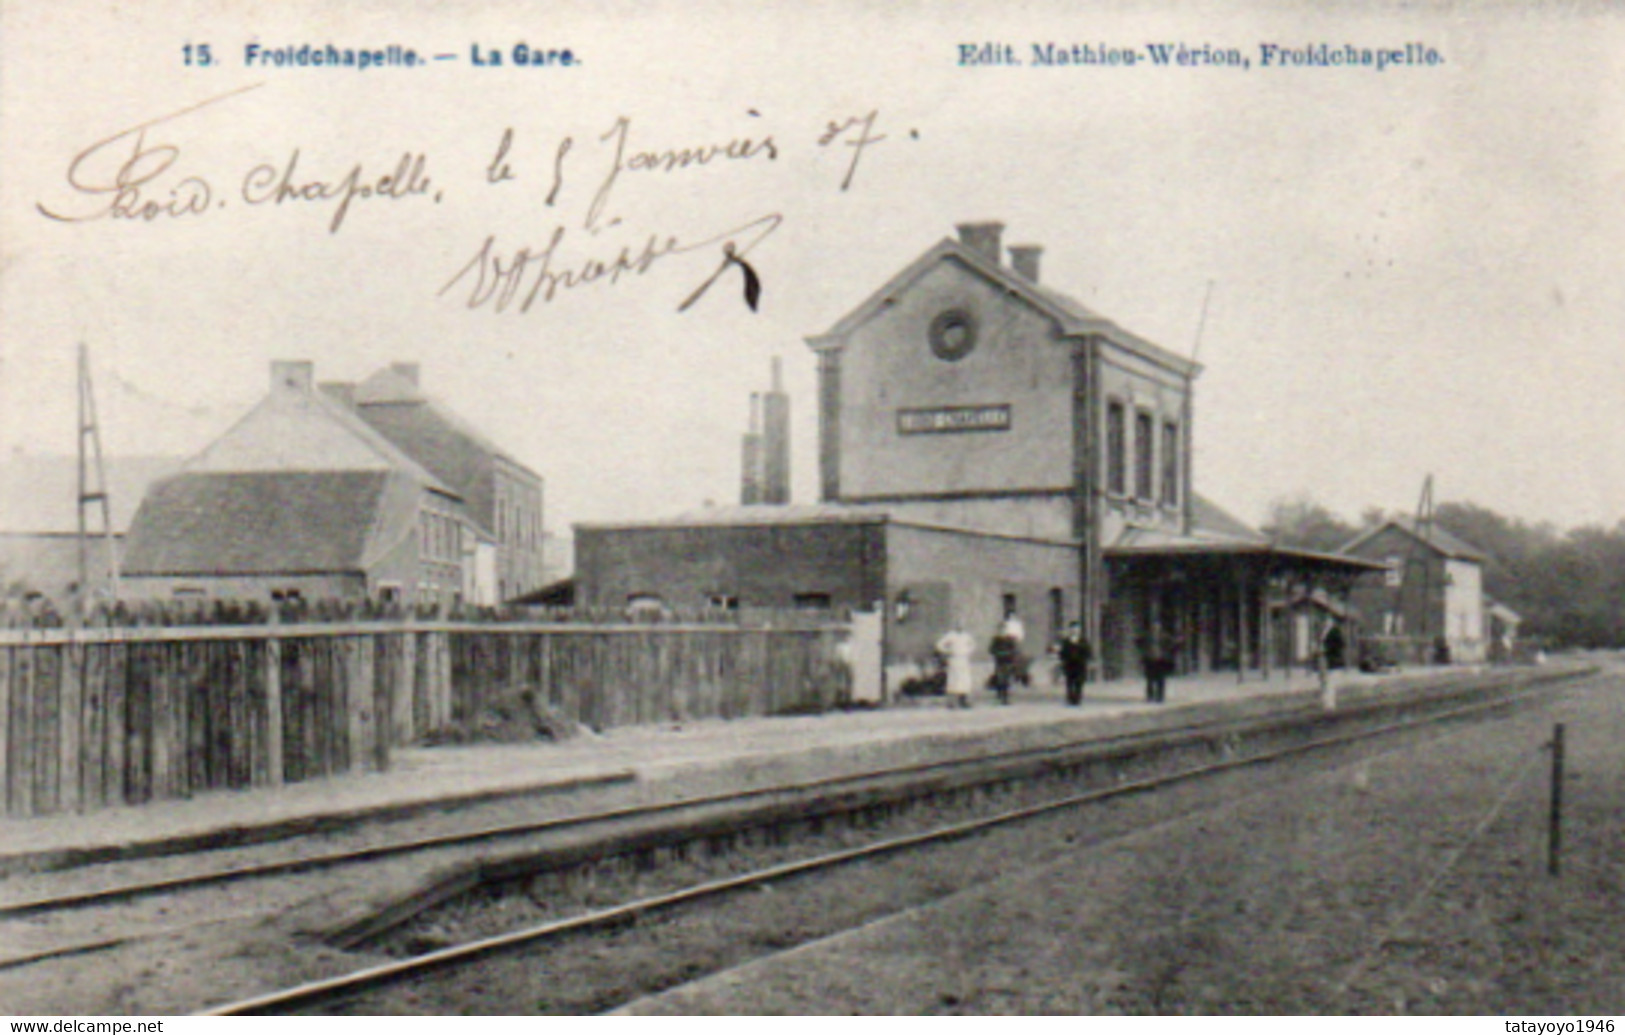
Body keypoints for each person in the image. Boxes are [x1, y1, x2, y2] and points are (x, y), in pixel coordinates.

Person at [936, 621, 976, 709]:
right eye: (958, 625)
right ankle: (952, 702)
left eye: (961, 625)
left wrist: (967, 651)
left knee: (964, 679)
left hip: (964, 659)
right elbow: (939, 645)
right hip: (954, 659)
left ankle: (964, 701)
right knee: (953, 679)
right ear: (955, 626)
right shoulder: (951, 635)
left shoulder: (966, 635)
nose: (960, 627)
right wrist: (948, 651)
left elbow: (973, 645)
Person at [1055, 621, 1092, 706]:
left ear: (1079, 630)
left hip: (1080, 665)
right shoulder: (1066, 641)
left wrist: (1085, 660)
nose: (1074, 631)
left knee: (1079, 682)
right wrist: (1062, 660)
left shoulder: (1083, 641)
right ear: (1070, 630)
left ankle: (1077, 699)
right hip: (1069, 665)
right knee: (1069, 682)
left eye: (1076, 629)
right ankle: (1070, 698)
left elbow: (1087, 652)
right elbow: (1062, 653)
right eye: (1073, 629)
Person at [1138, 627, 1174, 704]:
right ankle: (1150, 696)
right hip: (1150, 660)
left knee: (1160, 679)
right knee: (1150, 680)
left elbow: (1171, 645)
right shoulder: (1147, 637)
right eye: (1154, 629)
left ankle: (1159, 696)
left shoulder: (1165, 637)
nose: (1155, 631)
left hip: (1160, 660)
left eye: (1157, 629)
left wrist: (1167, 653)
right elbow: (1139, 643)